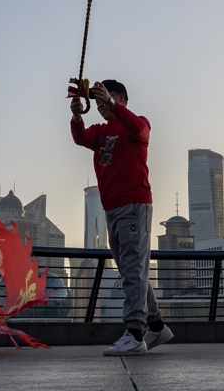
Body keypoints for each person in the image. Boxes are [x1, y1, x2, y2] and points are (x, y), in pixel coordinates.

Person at [71, 79, 173, 356]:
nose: (100, 105)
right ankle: (156, 326)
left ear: (122, 98)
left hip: (133, 205)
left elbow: (138, 127)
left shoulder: (137, 124)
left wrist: (111, 103)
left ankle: (135, 333)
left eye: (105, 98)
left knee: (132, 268)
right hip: (112, 208)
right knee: (132, 269)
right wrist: (77, 116)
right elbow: (80, 138)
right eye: (98, 101)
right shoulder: (100, 131)